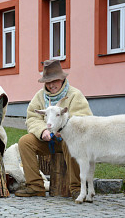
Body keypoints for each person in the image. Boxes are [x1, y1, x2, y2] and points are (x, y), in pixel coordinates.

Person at [15, 60, 92, 198]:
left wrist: (63, 131)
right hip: (48, 140)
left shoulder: (75, 95)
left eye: (54, 81)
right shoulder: (40, 96)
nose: (51, 85)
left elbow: (84, 119)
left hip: (67, 139)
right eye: (48, 82)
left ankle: (77, 188)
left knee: (72, 143)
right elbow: (32, 118)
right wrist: (43, 131)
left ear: (62, 79)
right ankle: (35, 186)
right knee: (24, 142)